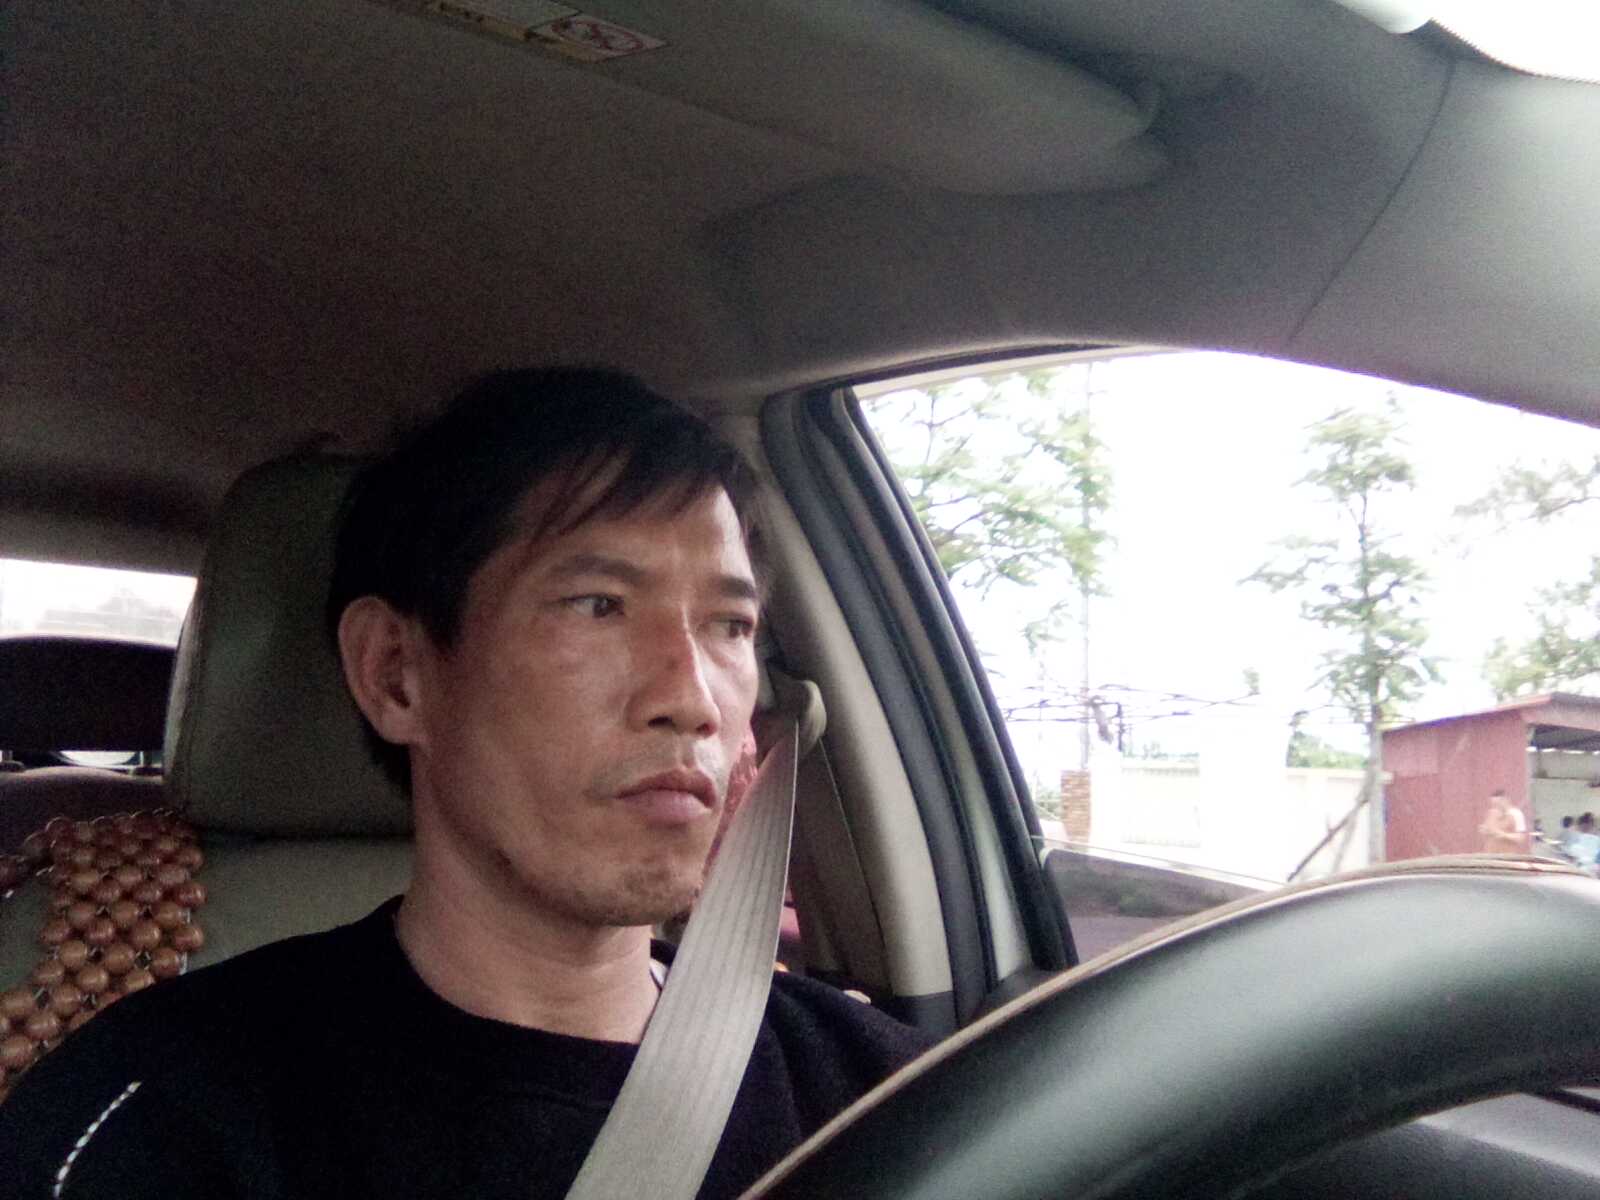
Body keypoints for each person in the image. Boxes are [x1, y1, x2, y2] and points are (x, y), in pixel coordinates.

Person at [1, 369, 936, 1197]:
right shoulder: (156, 1122)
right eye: (598, 606)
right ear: (397, 675)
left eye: (730, 626)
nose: (692, 699)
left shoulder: (890, 1099)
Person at [1477, 789, 1529, 854]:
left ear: (1506, 800)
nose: (1495, 807)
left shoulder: (1516, 814)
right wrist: (1485, 830)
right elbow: (1488, 831)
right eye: (1493, 804)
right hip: (1491, 854)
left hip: (1507, 855)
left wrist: (1503, 835)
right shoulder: (1491, 814)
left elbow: (1520, 838)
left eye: (1498, 804)